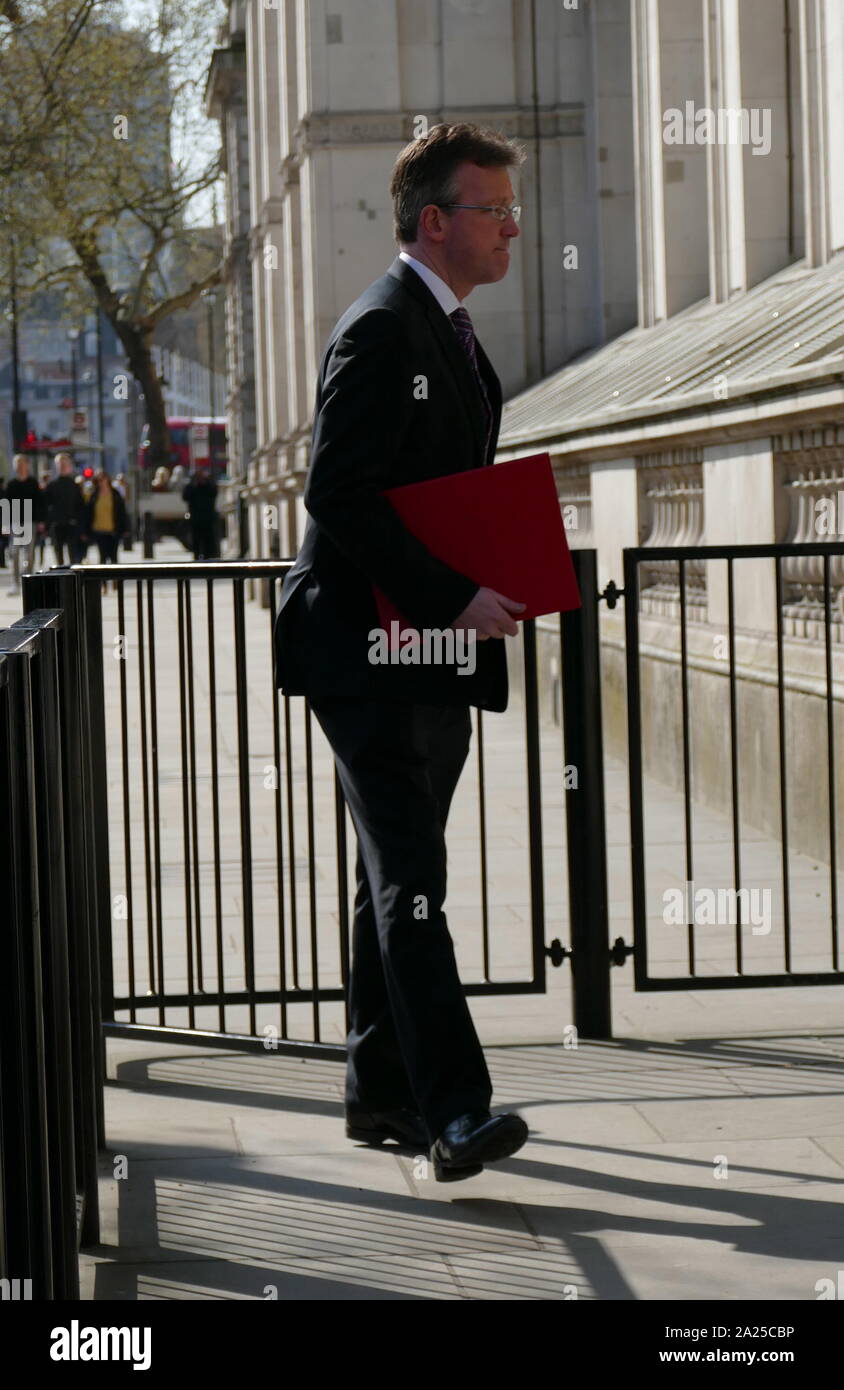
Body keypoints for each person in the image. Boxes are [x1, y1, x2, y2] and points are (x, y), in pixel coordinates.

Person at [273, 123, 529, 1182]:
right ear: (434, 221)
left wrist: (486, 577)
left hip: (421, 651)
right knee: (412, 880)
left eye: (515, 210)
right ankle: (454, 1111)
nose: (514, 226)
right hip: (363, 653)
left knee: (394, 876)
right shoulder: (383, 330)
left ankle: (377, 1088)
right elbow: (336, 494)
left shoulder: (448, 333)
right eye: (493, 208)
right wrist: (455, 591)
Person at [4, 452, 46, 594]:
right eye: (18, 464)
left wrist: (40, 521)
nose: (20, 467)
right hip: (15, 520)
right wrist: (5, 524)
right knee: (14, 553)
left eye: (22, 464)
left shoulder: (33, 483)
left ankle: (28, 581)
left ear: (26, 465)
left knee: (29, 554)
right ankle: (15, 583)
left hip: (30, 519)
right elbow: (5, 505)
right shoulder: (11, 484)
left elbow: (40, 502)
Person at [82, 470, 128, 590]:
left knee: (114, 558)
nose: (101, 482)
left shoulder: (115, 494)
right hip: (99, 530)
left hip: (113, 531)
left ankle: (115, 581)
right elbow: (88, 514)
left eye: (103, 479)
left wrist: (125, 528)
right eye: (99, 480)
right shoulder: (94, 495)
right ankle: (103, 584)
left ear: (108, 480)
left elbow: (122, 513)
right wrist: (86, 531)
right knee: (102, 558)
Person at [45, 452, 86, 566]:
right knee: (58, 555)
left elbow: (80, 506)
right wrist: (48, 522)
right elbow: (46, 505)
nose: (62, 466)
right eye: (60, 464)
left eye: (64, 464)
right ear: (56, 466)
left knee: (73, 555)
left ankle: (73, 580)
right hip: (57, 524)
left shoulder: (74, 485)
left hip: (71, 524)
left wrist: (80, 524)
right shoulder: (52, 485)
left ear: (69, 466)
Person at [182, 465, 219, 559]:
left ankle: (208, 555)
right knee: (196, 539)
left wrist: (206, 482)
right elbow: (185, 496)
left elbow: (214, 493)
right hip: (196, 518)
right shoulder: (192, 486)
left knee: (209, 540)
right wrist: (194, 484)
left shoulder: (209, 486)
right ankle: (196, 554)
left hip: (208, 518)